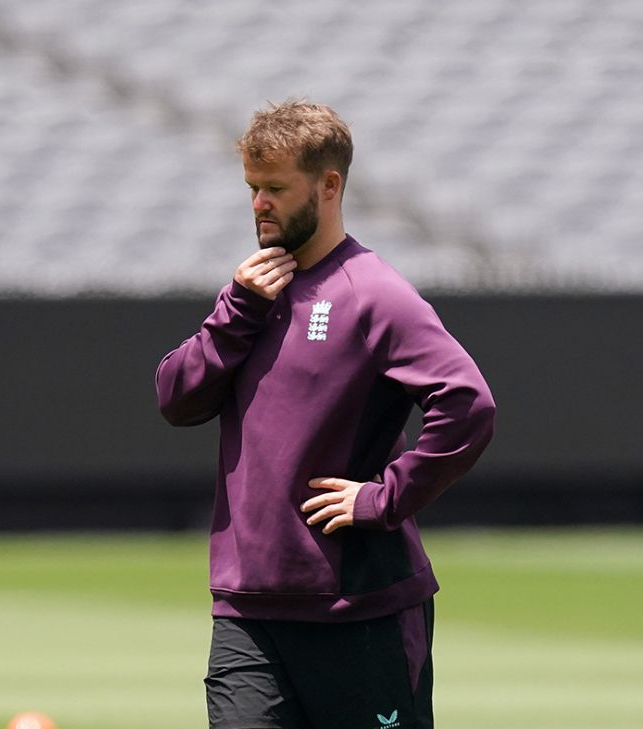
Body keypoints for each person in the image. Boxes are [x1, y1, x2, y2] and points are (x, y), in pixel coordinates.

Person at [155, 100, 495, 728]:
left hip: (360, 609)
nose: (260, 204)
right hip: (247, 609)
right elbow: (177, 399)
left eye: (276, 189)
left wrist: (383, 498)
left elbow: (467, 404)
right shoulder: (250, 295)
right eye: (253, 188)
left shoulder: (375, 293)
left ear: (329, 186)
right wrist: (237, 311)